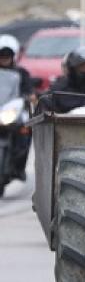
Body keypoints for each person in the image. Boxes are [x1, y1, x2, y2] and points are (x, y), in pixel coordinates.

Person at [0, 35, 32, 180]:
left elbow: (29, 90)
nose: (4, 58)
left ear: (13, 56)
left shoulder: (22, 73)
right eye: (1, 55)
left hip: (12, 112)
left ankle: (19, 167)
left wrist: (29, 96)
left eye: (7, 56)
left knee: (26, 128)